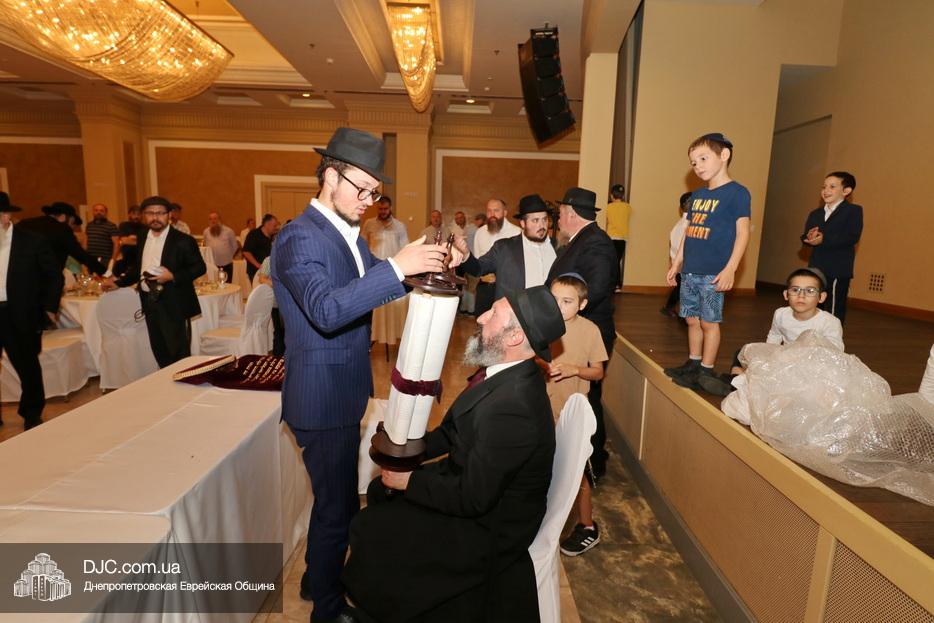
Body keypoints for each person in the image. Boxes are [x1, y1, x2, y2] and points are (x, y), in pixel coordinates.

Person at [269, 127, 453, 623]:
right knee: (337, 510)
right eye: (363, 189)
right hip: (320, 397)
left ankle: (317, 579)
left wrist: (424, 263)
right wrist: (396, 267)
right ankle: (327, 611)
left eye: (374, 192)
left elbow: (379, 284)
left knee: (337, 502)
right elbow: (327, 311)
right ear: (331, 176)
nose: (370, 202)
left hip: (344, 391)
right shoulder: (298, 237)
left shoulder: (345, 234)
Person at [342, 286, 566, 623]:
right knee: (378, 491)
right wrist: (405, 450)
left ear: (515, 337)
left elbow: (473, 498)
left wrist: (408, 481)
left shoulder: (513, 407)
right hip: (470, 486)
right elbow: (452, 432)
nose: (481, 317)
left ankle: (380, 610)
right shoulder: (503, 373)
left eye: (494, 313)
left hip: (492, 525)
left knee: (373, 527)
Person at [664, 133, 751, 392]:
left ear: (724, 155)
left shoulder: (737, 193)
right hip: (691, 271)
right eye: (693, 162)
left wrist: (731, 268)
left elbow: (743, 233)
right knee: (691, 320)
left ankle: (706, 369)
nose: (698, 166)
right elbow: (689, 232)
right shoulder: (698, 195)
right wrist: (677, 263)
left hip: (713, 272)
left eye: (703, 158)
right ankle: (693, 362)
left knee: (709, 322)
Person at [546, 186, 618, 479]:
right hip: (570, 328)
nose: (558, 220)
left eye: (561, 213)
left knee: (587, 399)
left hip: (587, 332)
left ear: (572, 214)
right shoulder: (582, 240)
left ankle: (592, 462)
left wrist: (565, 317)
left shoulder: (595, 242)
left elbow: (595, 290)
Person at [699, 267, 844, 396]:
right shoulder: (781, 314)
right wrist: (767, 357)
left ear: (821, 297)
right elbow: (774, 337)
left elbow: (836, 352)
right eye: (795, 290)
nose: (801, 295)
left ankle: (737, 387)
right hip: (784, 359)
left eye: (810, 291)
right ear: (786, 295)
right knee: (743, 352)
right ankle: (736, 379)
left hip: (810, 368)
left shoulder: (829, 322)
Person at [545, 274, 608, 558]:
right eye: (554, 299)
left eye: (567, 301)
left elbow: (598, 372)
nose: (559, 306)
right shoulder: (543, 324)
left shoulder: (590, 330)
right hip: (542, 407)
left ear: (582, 304)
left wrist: (574, 370)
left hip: (570, 412)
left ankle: (587, 526)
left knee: (576, 472)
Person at [108, 196, 206, 368]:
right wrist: (118, 282)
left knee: (178, 351)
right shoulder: (142, 236)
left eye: (160, 213)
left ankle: (181, 382)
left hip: (173, 301)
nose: (155, 217)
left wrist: (173, 276)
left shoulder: (183, 240)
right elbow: (138, 267)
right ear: (144, 215)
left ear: (169, 215)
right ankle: (165, 381)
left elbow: (199, 267)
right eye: (150, 213)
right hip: (149, 300)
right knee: (159, 348)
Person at [0, 193, 61, 430]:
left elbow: (53, 276)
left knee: (27, 366)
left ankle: (32, 413)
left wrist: (50, 308)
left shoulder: (32, 241)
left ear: (6, 216)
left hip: (21, 313)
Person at [457, 194, 556, 299]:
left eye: (544, 219)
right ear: (523, 223)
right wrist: (465, 253)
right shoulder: (504, 248)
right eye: (535, 220)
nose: (541, 225)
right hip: (515, 308)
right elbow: (478, 268)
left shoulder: (556, 247)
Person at [800, 171, 863, 323]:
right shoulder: (815, 213)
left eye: (832, 187)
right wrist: (808, 238)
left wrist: (824, 239)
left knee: (834, 308)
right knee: (814, 305)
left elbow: (852, 236)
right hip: (816, 266)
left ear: (846, 190)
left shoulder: (853, 211)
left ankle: (833, 337)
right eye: (824, 187)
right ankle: (813, 336)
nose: (826, 190)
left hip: (837, 268)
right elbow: (806, 235)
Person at [17, 202, 108, 276]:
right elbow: (81, 255)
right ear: (64, 217)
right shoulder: (62, 229)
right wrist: (106, 273)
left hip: (19, 275)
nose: (71, 227)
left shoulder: (24, 223)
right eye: (72, 222)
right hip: (46, 279)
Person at [472, 199, 520, 317]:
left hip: (506, 291)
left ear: (505, 213)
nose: (492, 215)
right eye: (489, 211)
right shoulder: (480, 232)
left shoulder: (517, 233)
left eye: (496, 211)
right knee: (481, 323)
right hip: (484, 288)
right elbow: (477, 261)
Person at [661, 192, 691, 317]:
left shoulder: (678, 225)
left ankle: (669, 308)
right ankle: (686, 315)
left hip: (678, 264)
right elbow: (682, 248)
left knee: (680, 288)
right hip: (684, 265)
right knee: (684, 290)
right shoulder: (687, 225)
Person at [605, 183, 632, 292]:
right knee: (616, 261)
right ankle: (616, 284)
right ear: (623, 195)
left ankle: (613, 283)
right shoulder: (628, 207)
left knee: (611, 261)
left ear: (611, 195)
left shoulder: (609, 207)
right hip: (622, 238)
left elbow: (608, 220)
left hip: (611, 237)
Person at [202, 211, 239, 279]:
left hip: (226, 264)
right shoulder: (206, 232)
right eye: (210, 219)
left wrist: (227, 256)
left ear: (219, 219)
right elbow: (205, 245)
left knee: (227, 284)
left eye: (215, 218)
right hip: (212, 264)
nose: (213, 221)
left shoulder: (229, 231)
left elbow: (235, 246)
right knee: (213, 284)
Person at [243, 213, 279, 282]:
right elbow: (246, 252)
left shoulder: (272, 236)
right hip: (256, 271)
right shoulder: (253, 234)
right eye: (274, 226)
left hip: (268, 271)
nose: (275, 228)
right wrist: (259, 265)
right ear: (267, 224)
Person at [116, 205, 145, 277]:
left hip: (141, 260)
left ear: (142, 215)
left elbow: (145, 242)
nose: (136, 216)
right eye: (134, 214)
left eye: (138, 214)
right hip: (126, 260)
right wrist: (139, 240)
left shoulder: (146, 227)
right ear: (129, 214)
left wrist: (131, 238)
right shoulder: (124, 225)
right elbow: (124, 240)